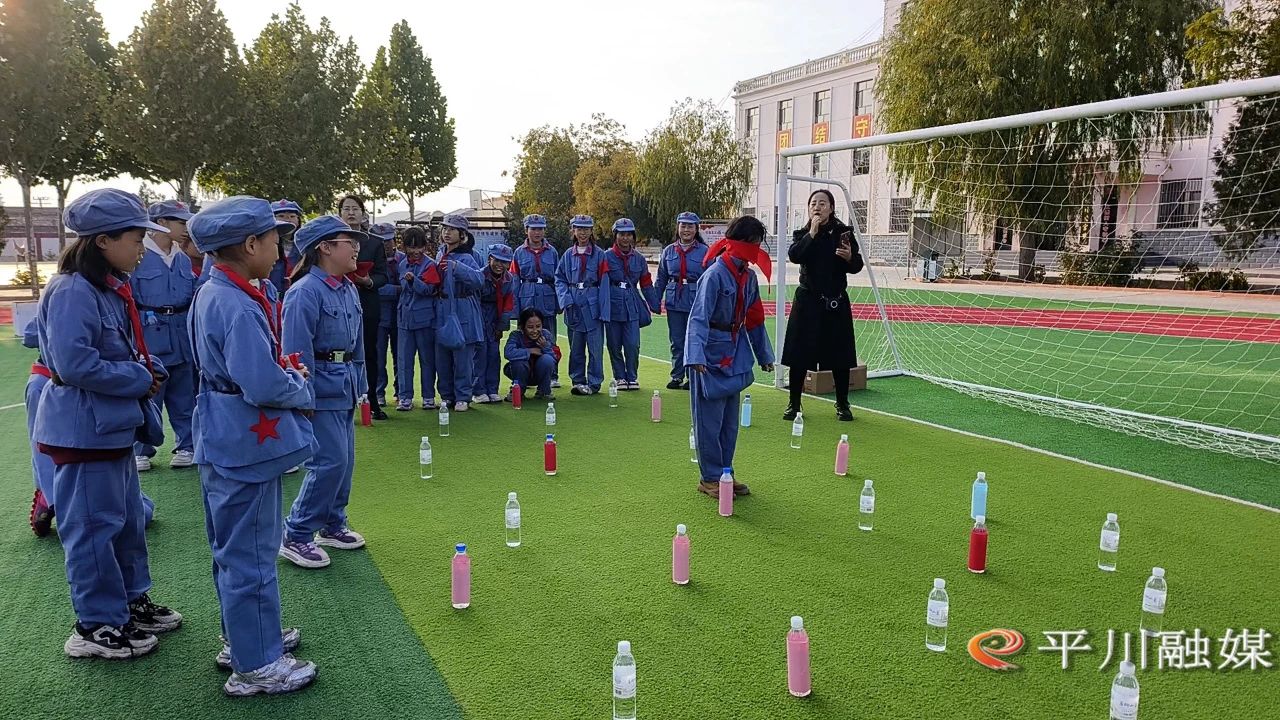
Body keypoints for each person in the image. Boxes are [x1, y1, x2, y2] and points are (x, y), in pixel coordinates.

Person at [35, 188, 182, 659]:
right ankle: (96, 623)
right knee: (93, 529)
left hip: (112, 427)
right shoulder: (73, 290)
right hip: (84, 431)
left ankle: (129, 602)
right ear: (102, 241)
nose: (143, 249)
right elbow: (74, 364)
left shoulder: (107, 287)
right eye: (136, 239)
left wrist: (148, 366)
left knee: (126, 524)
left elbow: (119, 349)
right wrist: (139, 377)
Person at [187, 196, 317, 696]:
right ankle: (257, 663)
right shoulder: (238, 304)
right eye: (273, 240)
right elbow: (261, 383)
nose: (280, 250)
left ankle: (244, 639)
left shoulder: (214, 291)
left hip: (222, 432)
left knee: (233, 548)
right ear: (249, 245)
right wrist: (299, 386)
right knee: (252, 553)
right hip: (244, 440)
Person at [280, 215, 369, 569]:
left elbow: (357, 345)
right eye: (349, 242)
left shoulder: (347, 288)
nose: (356, 248)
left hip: (344, 384)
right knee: (328, 462)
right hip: (320, 388)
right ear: (325, 248)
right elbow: (295, 352)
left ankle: (333, 523)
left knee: (344, 461)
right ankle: (297, 532)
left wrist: (361, 384)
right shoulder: (304, 292)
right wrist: (303, 396)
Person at [686, 215, 775, 499]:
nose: (756, 249)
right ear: (740, 242)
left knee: (729, 422)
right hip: (708, 356)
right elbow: (698, 318)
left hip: (734, 351)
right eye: (753, 243)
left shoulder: (748, 277)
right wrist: (695, 355)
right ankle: (709, 477)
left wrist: (764, 354)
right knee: (708, 421)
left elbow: (754, 317)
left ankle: (726, 472)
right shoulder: (714, 275)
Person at [781, 189, 863, 422]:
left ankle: (843, 404)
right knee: (799, 355)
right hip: (807, 301)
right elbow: (795, 256)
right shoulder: (802, 233)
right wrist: (812, 234)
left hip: (835, 302)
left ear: (831, 208)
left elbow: (856, 265)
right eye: (813, 203)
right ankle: (794, 403)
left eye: (822, 203)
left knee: (840, 356)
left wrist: (849, 257)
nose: (817, 207)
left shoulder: (843, 233)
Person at [131, 200, 198, 473]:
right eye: (181, 222)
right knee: (150, 394)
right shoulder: (138, 256)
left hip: (181, 335)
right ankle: (141, 449)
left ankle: (186, 445)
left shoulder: (183, 257)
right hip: (150, 334)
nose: (186, 228)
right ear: (161, 223)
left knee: (184, 396)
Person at [337, 194, 390, 420]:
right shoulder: (331, 241)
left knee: (369, 352)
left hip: (366, 303)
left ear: (363, 213)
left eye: (355, 209)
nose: (351, 213)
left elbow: (383, 276)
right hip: (337, 304)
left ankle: (372, 400)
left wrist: (368, 282)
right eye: (346, 209)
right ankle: (342, 398)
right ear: (339, 214)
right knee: (339, 352)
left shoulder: (375, 243)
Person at [554, 214, 611, 396]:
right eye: (579, 229)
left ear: (591, 231)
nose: (583, 233)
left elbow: (604, 283)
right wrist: (565, 300)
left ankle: (594, 383)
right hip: (574, 305)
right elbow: (559, 279)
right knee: (576, 347)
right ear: (573, 231)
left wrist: (604, 310)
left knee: (595, 348)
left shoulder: (600, 255)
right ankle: (577, 380)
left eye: (586, 229)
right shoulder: (567, 255)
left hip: (592, 305)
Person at [433, 214, 485, 411]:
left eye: (452, 229)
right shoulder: (439, 253)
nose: (447, 232)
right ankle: (446, 395)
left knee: (463, 357)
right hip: (441, 307)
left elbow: (479, 281)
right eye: (445, 228)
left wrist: (458, 268)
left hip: (463, 307)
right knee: (442, 357)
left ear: (462, 234)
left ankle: (463, 396)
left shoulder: (469, 257)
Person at [653, 212, 709, 390]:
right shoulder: (669, 251)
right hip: (674, 300)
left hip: (696, 301)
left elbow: (711, 279)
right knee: (677, 340)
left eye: (690, 226)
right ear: (677, 228)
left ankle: (693, 377)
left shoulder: (705, 251)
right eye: (683, 226)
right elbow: (661, 278)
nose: (686, 230)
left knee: (694, 339)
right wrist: (655, 300)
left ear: (696, 229)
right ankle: (677, 375)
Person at [603, 218, 657, 390]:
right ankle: (619, 377)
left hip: (631, 304)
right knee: (614, 344)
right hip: (612, 304)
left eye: (629, 235)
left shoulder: (639, 259)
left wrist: (655, 304)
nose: (625, 238)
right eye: (621, 234)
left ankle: (632, 377)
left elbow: (646, 283)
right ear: (615, 236)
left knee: (633, 344)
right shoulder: (606, 257)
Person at [510, 214, 561, 388]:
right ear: (526, 230)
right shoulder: (519, 252)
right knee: (524, 338)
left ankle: (552, 374)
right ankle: (527, 373)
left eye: (540, 229)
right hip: (527, 298)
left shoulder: (552, 252)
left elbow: (558, 278)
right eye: (533, 229)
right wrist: (515, 308)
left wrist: (559, 303)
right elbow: (514, 280)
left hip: (547, 299)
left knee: (549, 337)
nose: (537, 233)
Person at [394, 226, 439, 410]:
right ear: (404, 247)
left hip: (425, 319)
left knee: (427, 360)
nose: (415, 251)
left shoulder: (430, 265)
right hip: (404, 318)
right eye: (411, 247)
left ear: (425, 246)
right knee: (404, 360)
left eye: (419, 246)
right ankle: (405, 397)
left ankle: (428, 396)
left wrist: (414, 281)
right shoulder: (402, 264)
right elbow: (402, 288)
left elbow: (429, 290)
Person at [474, 243, 516, 403]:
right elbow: (473, 300)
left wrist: (501, 327)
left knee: (493, 353)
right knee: (480, 352)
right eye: (497, 260)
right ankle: (478, 391)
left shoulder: (509, 279)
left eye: (504, 262)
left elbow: (508, 305)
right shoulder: (479, 276)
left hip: (496, 315)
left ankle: (492, 389)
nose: (500, 265)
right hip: (479, 313)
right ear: (489, 259)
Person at [369, 222, 402, 406]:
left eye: (389, 240)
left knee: (401, 356)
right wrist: (397, 289)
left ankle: (401, 392)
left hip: (401, 315)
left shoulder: (403, 259)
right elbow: (372, 287)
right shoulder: (370, 261)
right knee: (378, 356)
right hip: (378, 315)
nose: (386, 244)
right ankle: (379, 392)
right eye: (381, 241)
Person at [504, 309, 561, 401]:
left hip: (539, 374)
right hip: (520, 372)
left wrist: (546, 347)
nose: (535, 331)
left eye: (538, 326)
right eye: (530, 327)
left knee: (547, 360)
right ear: (522, 327)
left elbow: (555, 358)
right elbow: (508, 353)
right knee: (519, 362)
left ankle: (544, 391)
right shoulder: (516, 335)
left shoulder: (546, 335)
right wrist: (530, 351)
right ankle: (518, 391)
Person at [269, 199, 304, 292]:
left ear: (298, 220)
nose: (287, 220)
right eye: (281, 216)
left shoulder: (305, 245)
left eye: (292, 216)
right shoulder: (266, 244)